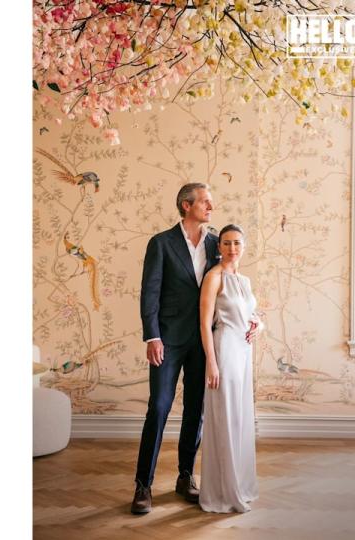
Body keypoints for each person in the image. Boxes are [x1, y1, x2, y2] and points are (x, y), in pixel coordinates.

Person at [131, 183, 219, 514]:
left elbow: (228, 286)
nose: (211, 206)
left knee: (195, 410)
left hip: (203, 341)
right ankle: (143, 485)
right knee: (159, 407)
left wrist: (248, 321)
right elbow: (149, 292)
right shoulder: (161, 243)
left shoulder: (215, 244)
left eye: (211, 202)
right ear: (186, 205)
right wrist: (152, 337)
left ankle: (185, 477)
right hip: (167, 340)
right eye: (205, 202)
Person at [198, 224, 262, 513]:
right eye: (226, 243)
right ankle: (223, 491)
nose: (232, 249)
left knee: (240, 418)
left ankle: (241, 484)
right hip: (224, 350)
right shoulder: (214, 277)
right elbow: (204, 322)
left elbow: (251, 314)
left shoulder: (244, 280)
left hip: (243, 352)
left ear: (244, 246)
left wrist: (258, 324)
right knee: (225, 416)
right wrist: (211, 362)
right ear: (219, 247)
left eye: (237, 243)